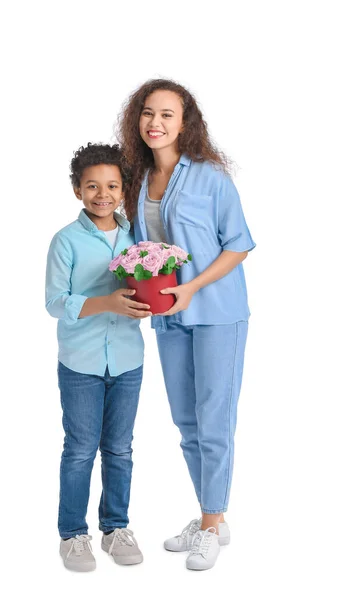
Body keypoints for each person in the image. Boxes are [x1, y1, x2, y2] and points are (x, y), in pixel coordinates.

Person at [118, 79, 256, 571]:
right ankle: (211, 520)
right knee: (187, 423)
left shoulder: (210, 177)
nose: (155, 123)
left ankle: (212, 522)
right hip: (166, 317)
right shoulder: (134, 180)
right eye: (147, 113)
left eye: (167, 115)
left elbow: (238, 244)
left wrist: (193, 288)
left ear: (185, 123)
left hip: (216, 312)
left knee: (214, 419)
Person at [45, 143, 151, 571]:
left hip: (127, 360)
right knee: (80, 450)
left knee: (120, 449)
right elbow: (55, 302)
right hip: (81, 363)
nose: (101, 194)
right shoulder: (65, 241)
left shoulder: (136, 238)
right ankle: (73, 534)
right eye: (92, 186)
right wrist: (106, 302)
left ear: (124, 189)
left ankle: (115, 528)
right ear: (77, 190)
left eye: (111, 185)